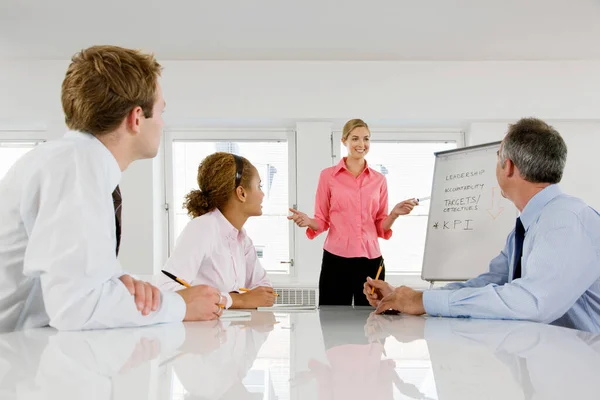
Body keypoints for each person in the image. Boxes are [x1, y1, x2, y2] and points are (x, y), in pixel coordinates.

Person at [0, 45, 223, 332]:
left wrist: (115, 285)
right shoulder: (77, 168)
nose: (163, 123)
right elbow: (78, 308)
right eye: (161, 112)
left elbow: (72, 286)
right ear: (137, 118)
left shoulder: (72, 162)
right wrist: (180, 305)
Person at [365, 117, 600, 333]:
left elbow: (532, 302)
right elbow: (489, 283)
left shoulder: (566, 220)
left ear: (507, 166)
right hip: (555, 361)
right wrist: (408, 297)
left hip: (585, 365)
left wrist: (422, 301)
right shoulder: (528, 227)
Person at [288, 118, 417, 306]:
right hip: (336, 259)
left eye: (366, 139)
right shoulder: (328, 176)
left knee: (371, 322)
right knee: (332, 320)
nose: (361, 144)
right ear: (344, 141)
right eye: (355, 139)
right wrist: (308, 221)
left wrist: (394, 214)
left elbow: (380, 226)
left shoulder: (379, 180)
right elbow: (322, 221)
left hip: (370, 260)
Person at [158, 152, 276, 309]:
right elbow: (166, 290)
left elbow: (264, 293)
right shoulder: (201, 229)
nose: (262, 194)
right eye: (259, 186)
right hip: (200, 332)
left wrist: (238, 298)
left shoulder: (243, 239)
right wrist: (238, 300)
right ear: (242, 193)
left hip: (231, 329)